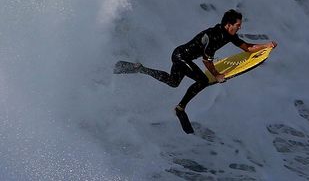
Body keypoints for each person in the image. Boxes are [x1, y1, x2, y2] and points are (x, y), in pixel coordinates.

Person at [116, 9, 277, 133]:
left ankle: (140, 68)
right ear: (229, 24)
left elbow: (247, 48)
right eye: (238, 25)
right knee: (203, 81)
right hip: (181, 57)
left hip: (181, 55)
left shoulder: (229, 35)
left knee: (173, 82)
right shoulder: (214, 36)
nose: (239, 28)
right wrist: (217, 75)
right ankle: (180, 108)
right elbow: (206, 61)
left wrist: (267, 45)